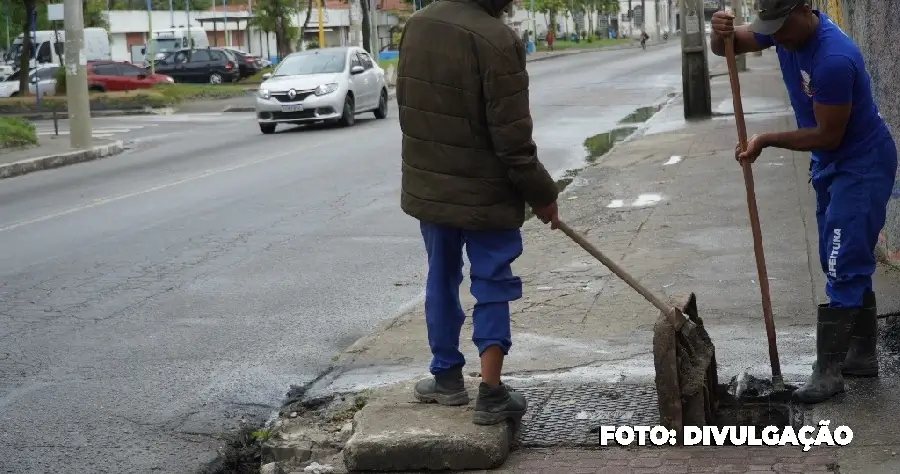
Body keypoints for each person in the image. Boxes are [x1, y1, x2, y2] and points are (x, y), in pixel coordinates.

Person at [709, 0, 897, 404]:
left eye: (779, 29)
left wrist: (767, 139)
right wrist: (718, 31)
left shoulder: (834, 58)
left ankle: (827, 372)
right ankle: (860, 355)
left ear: (803, 9)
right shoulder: (782, 29)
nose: (774, 38)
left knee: (841, 258)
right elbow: (727, 46)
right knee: (846, 252)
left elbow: (827, 134)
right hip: (832, 163)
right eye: (769, 30)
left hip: (860, 163)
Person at [396, 0, 561, 425]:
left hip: (431, 184)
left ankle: (447, 377)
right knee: (491, 282)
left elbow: (407, 108)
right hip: (486, 193)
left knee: (441, 276)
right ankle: (491, 393)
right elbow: (512, 139)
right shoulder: (498, 39)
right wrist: (543, 194)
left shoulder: (416, 25)